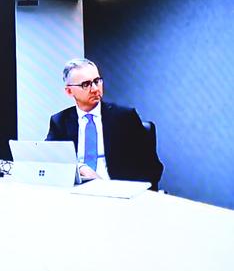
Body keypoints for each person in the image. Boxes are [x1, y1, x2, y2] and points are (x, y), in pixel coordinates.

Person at [46, 58, 163, 190]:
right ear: (69, 91)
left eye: (97, 81)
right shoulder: (60, 121)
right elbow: (49, 160)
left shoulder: (125, 117)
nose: (95, 89)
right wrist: (81, 168)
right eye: (86, 84)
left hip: (116, 192)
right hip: (75, 192)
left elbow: (152, 167)